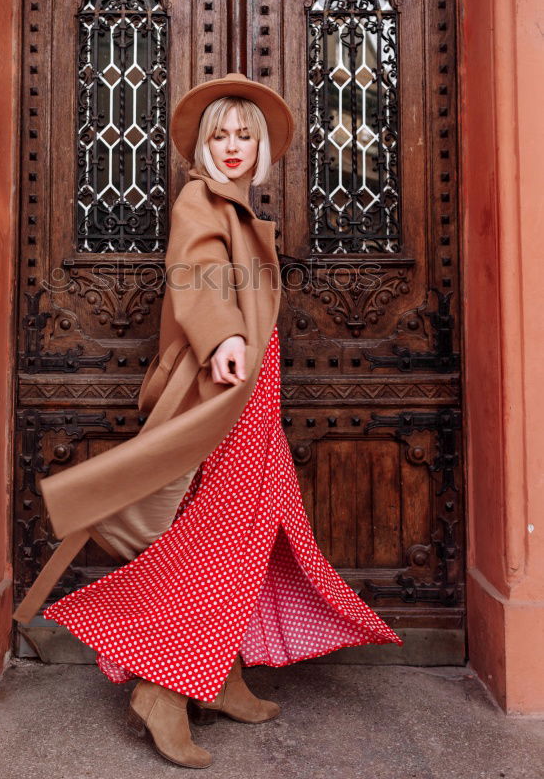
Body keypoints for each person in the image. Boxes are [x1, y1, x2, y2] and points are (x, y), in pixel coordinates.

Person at [38, 72, 403, 770]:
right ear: (202, 148)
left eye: (244, 136)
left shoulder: (236, 208)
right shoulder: (201, 202)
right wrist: (224, 337)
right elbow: (196, 274)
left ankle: (219, 672)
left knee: (255, 532)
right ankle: (162, 688)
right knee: (219, 534)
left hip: (252, 393)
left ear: (260, 147)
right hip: (223, 391)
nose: (232, 147)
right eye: (220, 136)